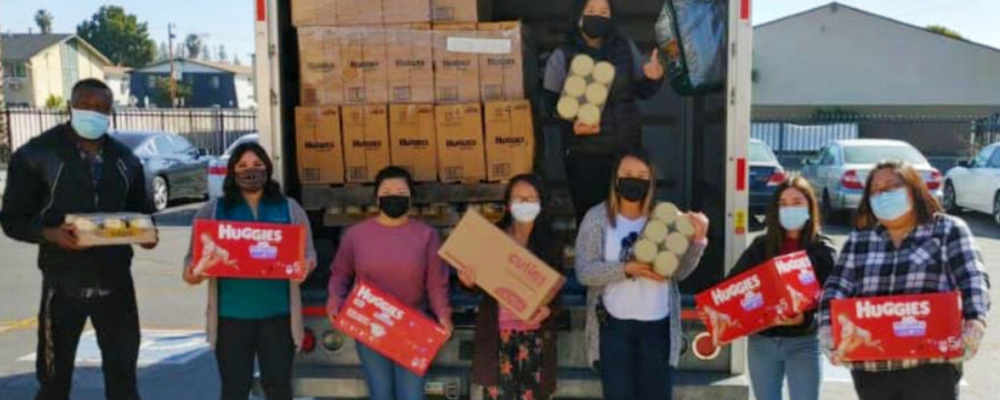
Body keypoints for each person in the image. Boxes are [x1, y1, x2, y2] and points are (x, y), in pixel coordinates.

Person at [0, 78, 157, 400]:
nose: (93, 112)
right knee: (54, 381)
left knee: (124, 379)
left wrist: (146, 234)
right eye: (85, 105)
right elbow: (12, 220)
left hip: (116, 285)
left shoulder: (125, 160)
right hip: (62, 285)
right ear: (71, 107)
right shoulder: (36, 155)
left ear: (111, 111)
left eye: (101, 107)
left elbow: (142, 213)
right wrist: (49, 234)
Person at [818, 160, 990, 400]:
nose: (883, 194)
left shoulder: (947, 230)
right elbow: (836, 287)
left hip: (930, 367)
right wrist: (828, 328)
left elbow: (972, 278)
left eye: (891, 186)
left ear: (913, 189)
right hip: (873, 370)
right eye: (875, 190)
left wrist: (975, 321)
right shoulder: (861, 239)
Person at [182, 142, 317, 400]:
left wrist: (305, 266)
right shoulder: (212, 212)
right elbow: (190, 270)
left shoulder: (290, 209)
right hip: (231, 319)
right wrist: (197, 270)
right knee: (234, 390)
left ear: (267, 168)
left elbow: (309, 254)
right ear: (232, 171)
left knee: (278, 388)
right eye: (242, 166)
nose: (250, 171)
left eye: (257, 165)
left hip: (278, 317)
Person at [575, 150, 709, 400]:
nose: (633, 180)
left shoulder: (666, 218)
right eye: (626, 174)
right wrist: (626, 270)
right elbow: (584, 272)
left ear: (650, 182)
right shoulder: (596, 218)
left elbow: (679, 273)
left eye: (641, 175)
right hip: (614, 330)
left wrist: (698, 241)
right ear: (615, 179)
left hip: (658, 330)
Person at [326, 166, 452, 400]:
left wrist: (443, 316)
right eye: (387, 190)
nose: (394, 194)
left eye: (400, 190)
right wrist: (335, 301)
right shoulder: (356, 235)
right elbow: (340, 273)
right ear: (377, 197)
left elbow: (436, 283)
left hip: (412, 324)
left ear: (411, 198)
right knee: (381, 393)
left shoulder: (426, 235)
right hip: (370, 323)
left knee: (412, 395)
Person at [542, 0, 666, 223]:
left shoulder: (625, 48)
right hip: (584, 155)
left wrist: (653, 79)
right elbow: (549, 104)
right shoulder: (562, 54)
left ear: (612, 17)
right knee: (590, 217)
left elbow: (642, 91)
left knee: (629, 216)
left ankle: (626, 258)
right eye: (590, 11)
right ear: (578, 15)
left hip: (626, 153)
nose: (596, 17)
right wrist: (571, 123)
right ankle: (590, 258)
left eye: (603, 12)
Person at [726, 175, 837, 400]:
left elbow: (835, 303)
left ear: (810, 207)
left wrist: (805, 318)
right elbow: (732, 289)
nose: (789, 209)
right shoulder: (760, 247)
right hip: (762, 344)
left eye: (797, 203)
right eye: (783, 204)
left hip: (804, 344)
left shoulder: (823, 251)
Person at [458, 174, 562, 400]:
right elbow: (477, 285)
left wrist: (548, 310)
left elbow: (556, 294)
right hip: (498, 337)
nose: (524, 204)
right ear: (508, 204)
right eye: (518, 198)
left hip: (535, 338)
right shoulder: (492, 238)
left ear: (541, 203)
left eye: (531, 199)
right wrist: (468, 282)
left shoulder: (550, 243)